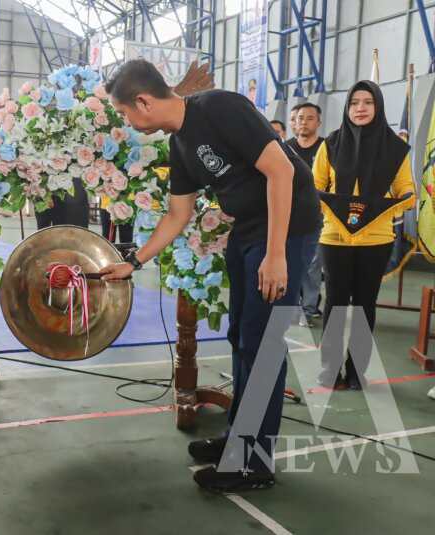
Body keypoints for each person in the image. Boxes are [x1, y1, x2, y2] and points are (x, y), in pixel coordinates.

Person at [99, 59, 321, 492]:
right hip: (249, 229)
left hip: (288, 228)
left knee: (262, 342)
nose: (127, 121)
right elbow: (177, 215)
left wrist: (277, 254)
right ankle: (238, 438)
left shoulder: (220, 108)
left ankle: (252, 463)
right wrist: (134, 262)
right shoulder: (179, 144)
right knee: (241, 335)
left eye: (125, 113)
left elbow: (282, 170)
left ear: (143, 101)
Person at [313, 81, 415, 390]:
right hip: (335, 239)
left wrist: (394, 202)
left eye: (367, 102)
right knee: (335, 303)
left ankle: (357, 372)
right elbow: (314, 187)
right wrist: (336, 207)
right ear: (347, 108)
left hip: (377, 240)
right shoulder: (329, 145)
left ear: (378, 107)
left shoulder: (396, 149)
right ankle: (330, 371)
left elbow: (406, 192)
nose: (360, 107)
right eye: (354, 102)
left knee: (364, 305)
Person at [287, 103, 325, 326]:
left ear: (318, 123)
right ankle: (291, 309)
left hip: (319, 216)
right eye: (300, 117)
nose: (304, 121)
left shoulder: (327, 148)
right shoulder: (285, 148)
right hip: (289, 215)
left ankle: (309, 310)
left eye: (310, 118)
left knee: (312, 266)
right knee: (291, 265)